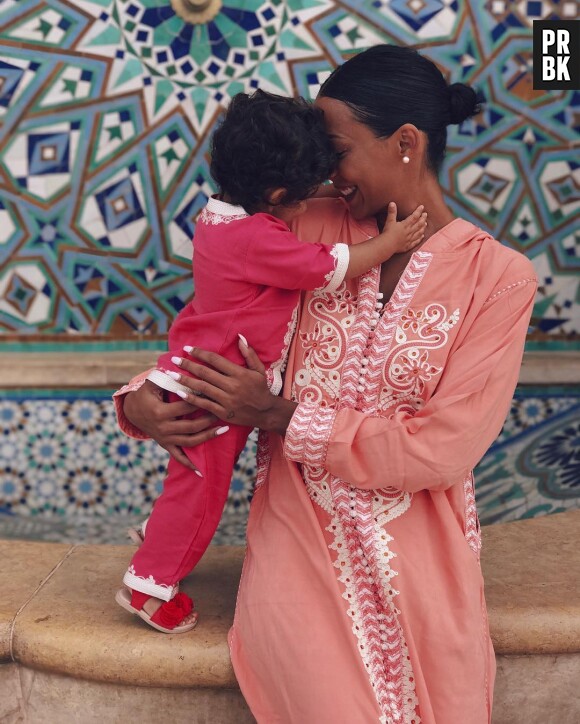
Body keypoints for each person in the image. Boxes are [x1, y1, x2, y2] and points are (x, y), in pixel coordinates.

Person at [114, 45, 536, 722]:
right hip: (295, 541)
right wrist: (142, 401)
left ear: (405, 143)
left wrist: (282, 416)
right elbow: (219, 327)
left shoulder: (499, 278)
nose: (322, 170)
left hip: (426, 563)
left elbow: (444, 450)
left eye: (334, 148)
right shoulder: (302, 226)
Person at [115, 89, 427, 634]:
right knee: (202, 494)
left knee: (191, 486)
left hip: (199, 375)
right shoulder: (258, 237)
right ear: (278, 193)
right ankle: (148, 587)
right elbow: (333, 266)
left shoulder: (218, 220)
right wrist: (394, 240)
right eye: (306, 195)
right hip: (213, 391)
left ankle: (164, 531)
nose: (314, 203)